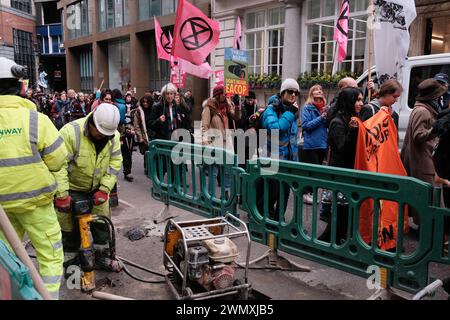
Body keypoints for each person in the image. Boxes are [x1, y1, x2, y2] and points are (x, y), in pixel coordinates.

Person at [0, 57, 68, 299]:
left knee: (6, 259)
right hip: (36, 202)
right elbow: (59, 160)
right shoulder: (35, 120)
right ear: (21, 88)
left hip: (2, 210)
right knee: (50, 255)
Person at [53, 103, 122, 262]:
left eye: (107, 135)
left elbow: (115, 163)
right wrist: (62, 195)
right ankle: (72, 264)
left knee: (102, 226)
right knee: (70, 230)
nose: (103, 137)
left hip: (98, 188)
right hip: (72, 189)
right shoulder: (70, 133)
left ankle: (102, 258)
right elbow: (58, 167)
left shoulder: (113, 136)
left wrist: (104, 189)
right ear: (91, 122)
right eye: (99, 133)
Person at [318, 87, 364, 243]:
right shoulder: (337, 122)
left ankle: (339, 238)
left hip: (352, 170)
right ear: (349, 101)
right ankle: (329, 240)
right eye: (358, 100)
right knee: (341, 210)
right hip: (341, 171)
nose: (361, 103)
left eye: (362, 100)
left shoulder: (354, 118)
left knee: (347, 210)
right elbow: (343, 148)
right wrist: (352, 131)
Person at [401, 79, 447, 226]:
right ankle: (429, 234)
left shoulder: (425, 109)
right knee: (430, 200)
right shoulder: (422, 111)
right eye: (438, 95)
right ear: (432, 96)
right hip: (422, 162)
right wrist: (435, 130)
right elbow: (418, 136)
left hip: (425, 159)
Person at [258, 78, 300, 220]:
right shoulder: (271, 109)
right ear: (282, 93)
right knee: (272, 193)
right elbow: (275, 128)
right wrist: (290, 114)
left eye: (296, 92)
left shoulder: (292, 112)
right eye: (290, 91)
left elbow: (292, 141)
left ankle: (278, 221)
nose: (293, 95)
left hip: (288, 162)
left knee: (285, 194)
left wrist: (296, 163)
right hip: (272, 160)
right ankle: (260, 218)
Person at [200, 84, 241, 195]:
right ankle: (211, 196)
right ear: (217, 95)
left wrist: (237, 105)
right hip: (215, 143)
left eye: (225, 93)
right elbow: (204, 126)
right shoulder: (209, 108)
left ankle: (225, 195)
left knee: (227, 171)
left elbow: (236, 117)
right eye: (223, 93)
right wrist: (206, 143)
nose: (225, 96)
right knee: (214, 171)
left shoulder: (227, 106)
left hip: (227, 143)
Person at [301, 85, 329, 204]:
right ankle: (306, 193)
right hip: (311, 145)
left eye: (321, 91)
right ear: (311, 95)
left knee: (318, 172)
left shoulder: (325, 108)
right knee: (312, 171)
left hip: (323, 144)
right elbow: (306, 126)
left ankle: (313, 193)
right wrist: (321, 118)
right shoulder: (307, 108)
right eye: (316, 91)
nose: (319, 92)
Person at [132, 95, 153, 174]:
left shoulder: (153, 109)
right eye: (143, 102)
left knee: (153, 152)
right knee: (146, 153)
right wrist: (140, 137)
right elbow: (136, 125)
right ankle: (147, 168)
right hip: (144, 134)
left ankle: (152, 167)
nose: (145, 104)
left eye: (147, 102)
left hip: (153, 133)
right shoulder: (138, 111)